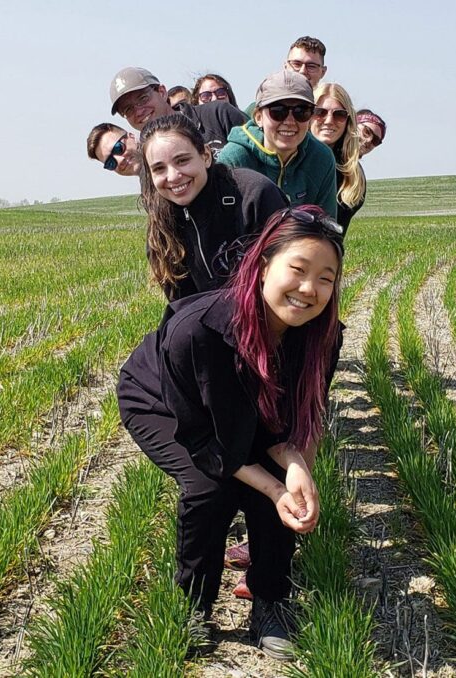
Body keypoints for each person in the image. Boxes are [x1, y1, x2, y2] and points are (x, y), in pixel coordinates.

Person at [117, 205, 345, 660]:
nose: (309, 289)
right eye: (297, 269)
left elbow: (300, 415)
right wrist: (270, 485)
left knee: (279, 492)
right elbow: (204, 437)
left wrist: (297, 471)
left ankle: (270, 599)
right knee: (210, 488)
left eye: (326, 277)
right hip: (165, 402)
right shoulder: (198, 330)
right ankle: (193, 608)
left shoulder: (324, 335)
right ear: (263, 264)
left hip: (245, 399)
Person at [138, 113, 287, 301]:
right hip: (211, 322)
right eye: (159, 168)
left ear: (206, 156)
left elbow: (290, 280)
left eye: (182, 160)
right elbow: (183, 306)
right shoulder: (161, 226)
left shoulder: (254, 195)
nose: (173, 176)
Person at [219, 70, 338, 218]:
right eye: (278, 111)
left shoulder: (322, 158)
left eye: (301, 111)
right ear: (258, 117)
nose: (289, 121)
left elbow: (327, 228)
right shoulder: (233, 159)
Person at [110, 66, 247, 158]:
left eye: (143, 98)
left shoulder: (218, 114)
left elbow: (264, 151)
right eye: (128, 109)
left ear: (162, 92)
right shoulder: (149, 158)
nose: (139, 111)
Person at [311, 83, 367, 229]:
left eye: (339, 115)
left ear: (348, 121)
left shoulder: (353, 175)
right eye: (320, 112)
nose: (329, 121)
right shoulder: (288, 158)